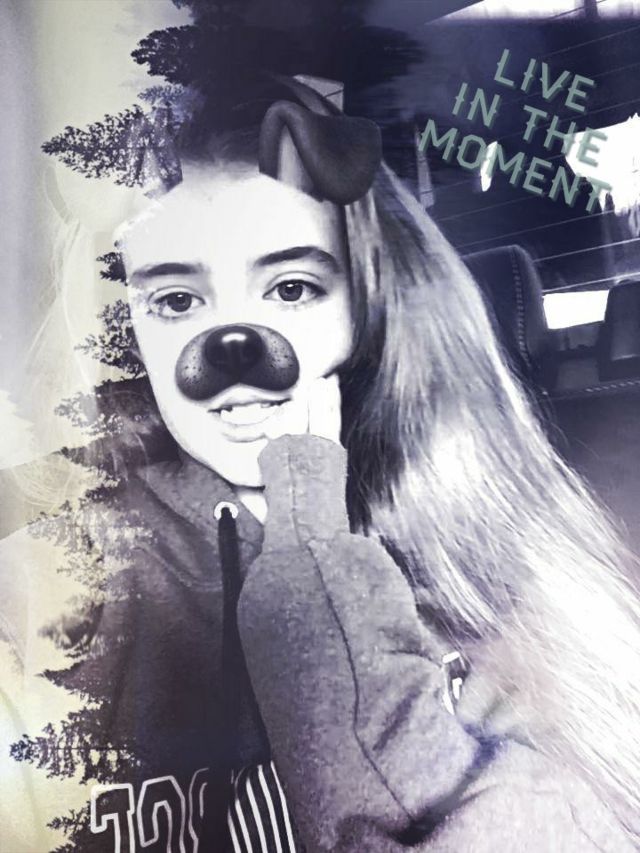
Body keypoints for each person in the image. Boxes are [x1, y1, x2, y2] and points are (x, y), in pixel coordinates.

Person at [0, 74, 639, 852]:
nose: (234, 346)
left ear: (370, 302)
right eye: (175, 301)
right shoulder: (53, 579)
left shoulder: (492, 568)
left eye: (292, 287)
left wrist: (313, 560)